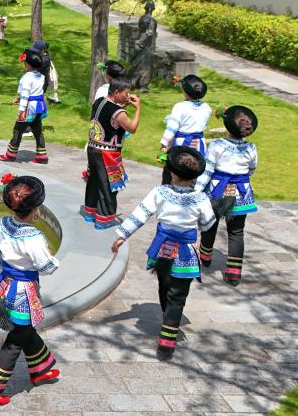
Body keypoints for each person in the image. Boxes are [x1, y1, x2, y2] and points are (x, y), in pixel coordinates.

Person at [111, 147, 215, 360]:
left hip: (163, 250)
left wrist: (122, 235)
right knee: (178, 295)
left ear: (173, 173)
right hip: (186, 254)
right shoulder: (201, 198)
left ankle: (168, 317)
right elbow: (208, 223)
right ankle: (168, 339)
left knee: (164, 285)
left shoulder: (160, 192)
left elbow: (141, 214)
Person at [0, 175, 60, 405]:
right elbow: (47, 267)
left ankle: (41, 369)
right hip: (23, 294)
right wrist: (51, 257)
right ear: (36, 208)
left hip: (3, 287)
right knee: (16, 339)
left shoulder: (2, 224)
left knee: (25, 330)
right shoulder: (34, 238)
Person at [195, 106, 258, 286]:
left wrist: (197, 190)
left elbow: (207, 170)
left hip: (217, 191)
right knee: (236, 232)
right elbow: (252, 169)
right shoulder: (251, 148)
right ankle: (234, 274)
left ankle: (205, 256)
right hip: (241, 193)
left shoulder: (217, 145)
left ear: (227, 125)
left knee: (210, 224)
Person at [83, 78, 141, 230]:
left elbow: (108, 113)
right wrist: (138, 109)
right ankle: (104, 219)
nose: (127, 96)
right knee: (108, 186)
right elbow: (132, 128)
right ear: (116, 92)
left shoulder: (99, 101)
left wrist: (124, 104)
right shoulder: (119, 113)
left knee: (94, 181)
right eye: (126, 93)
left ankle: (90, 212)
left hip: (93, 148)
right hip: (107, 153)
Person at [158, 74, 211, 184]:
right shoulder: (207, 108)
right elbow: (204, 125)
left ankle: (169, 188)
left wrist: (164, 144)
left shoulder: (180, 107)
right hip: (198, 144)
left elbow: (172, 128)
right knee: (193, 168)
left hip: (181, 143)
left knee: (175, 167)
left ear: (185, 91)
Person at [0, 50, 48, 164]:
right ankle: (42, 155)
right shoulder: (41, 76)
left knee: (18, 129)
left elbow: (26, 94)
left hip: (29, 108)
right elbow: (34, 93)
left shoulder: (27, 78)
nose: (24, 65)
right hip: (39, 107)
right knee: (37, 130)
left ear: (29, 64)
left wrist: (21, 110)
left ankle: (11, 154)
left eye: (25, 63)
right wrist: (19, 99)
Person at [27, 39, 60, 104]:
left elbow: (34, 68)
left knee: (34, 101)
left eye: (36, 51)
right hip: (37, 82)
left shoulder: (45, 60)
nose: (35, 52)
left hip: (41, 84)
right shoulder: (41, 56)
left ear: (42, 50)